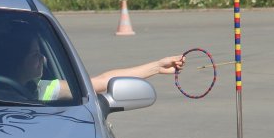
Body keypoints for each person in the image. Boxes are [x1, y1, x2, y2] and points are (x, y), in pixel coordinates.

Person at [13, 34, 185, 102]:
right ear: (18, 61)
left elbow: (102, 81)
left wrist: (157, 67)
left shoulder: (44, 89)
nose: (43, 59)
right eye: (35, 54)